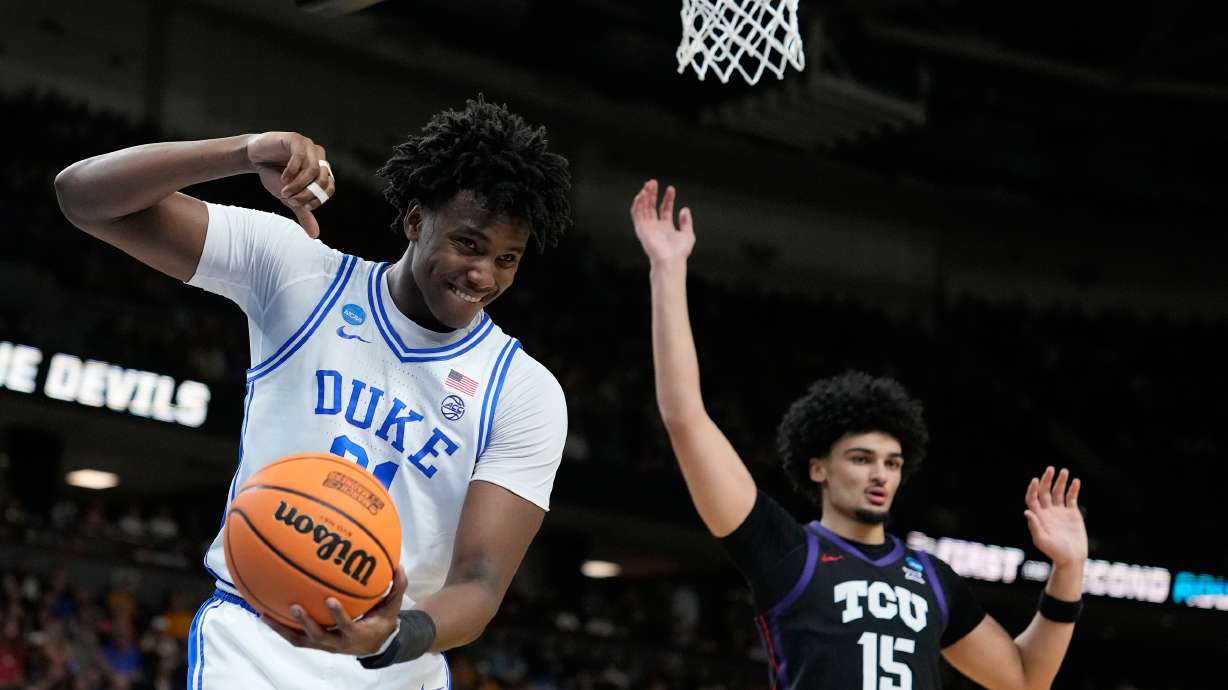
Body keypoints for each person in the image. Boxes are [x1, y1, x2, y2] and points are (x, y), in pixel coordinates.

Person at [54, 97, 572, 689]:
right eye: (469, 244)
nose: (484, 275)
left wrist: (393, 634)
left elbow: (480, 583)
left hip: (394, 664)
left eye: (507, 259)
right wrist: (244, 152)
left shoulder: (524, 391)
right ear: (413, 220)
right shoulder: (299, 273)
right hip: (255, 641)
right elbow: (82, 197)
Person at [629, 180, 1088, 689]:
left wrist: (1069, 568)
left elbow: (1025, 679)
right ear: (817, 466)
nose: (881, 474)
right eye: (862, 458)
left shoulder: (932, 578)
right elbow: (686, 418)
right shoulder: (785, 551)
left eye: (892, 463)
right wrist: (667, 271)